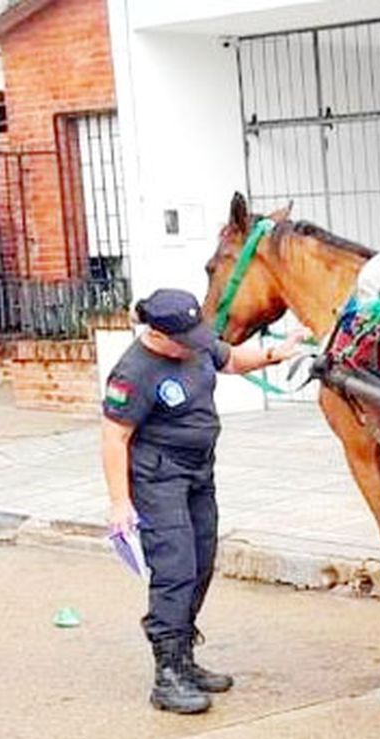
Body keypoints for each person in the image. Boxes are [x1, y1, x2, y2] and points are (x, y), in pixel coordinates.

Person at [101, 288, 305, 714]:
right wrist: (120, 503)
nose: (196, 344)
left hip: (199, 473)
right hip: (158, 478)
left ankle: (185, 658)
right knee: (175, 568)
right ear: (158, 334)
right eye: (186, 339)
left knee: (202, 560)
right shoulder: (133, 372)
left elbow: (228, 359)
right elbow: (114, 437)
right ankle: (167, 676)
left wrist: (275, 355)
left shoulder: (191, 342)